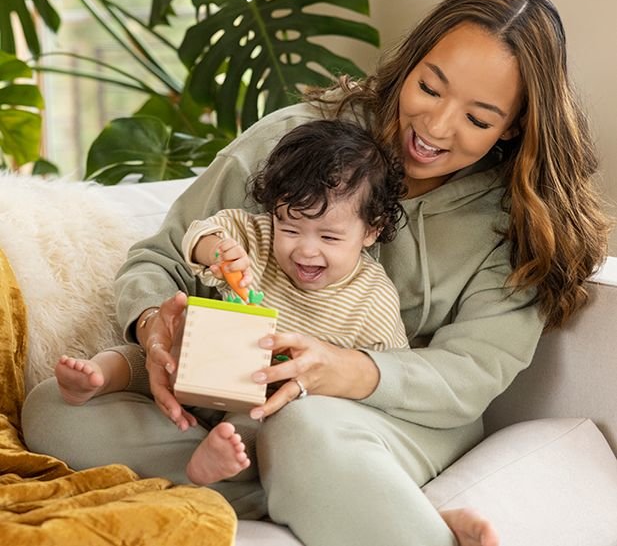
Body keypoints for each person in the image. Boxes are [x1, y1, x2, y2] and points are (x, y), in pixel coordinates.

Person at [22, 0, 610, 546]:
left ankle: (325, 479)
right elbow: (163, 254)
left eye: (478, 119)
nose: (435, 126)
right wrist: (154, 328)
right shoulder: (299, 139)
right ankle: (356, 501)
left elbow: (472, 372)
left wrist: (340, 370)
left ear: (513, 130)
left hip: (396, 417)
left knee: (302, 429)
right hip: (232, 401)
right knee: (55, 410)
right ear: (410, 65)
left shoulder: (518, 220)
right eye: (430, 88)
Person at [53, 119, 409, 486]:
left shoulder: (373, 299)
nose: (305, 249)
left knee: (258, 430)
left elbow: (390, 372)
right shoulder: (256, 236)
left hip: (264, 398)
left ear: (372, 229)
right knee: (154, 354)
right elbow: (198, 234)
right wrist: (219, 252)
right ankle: (99, 377)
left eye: (329, 237)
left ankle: (220, 461)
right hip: (205, 361)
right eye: (290, 228)